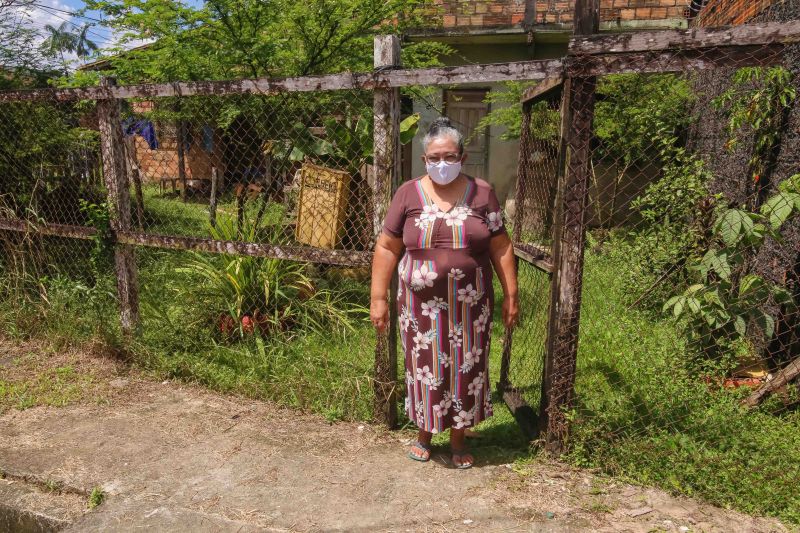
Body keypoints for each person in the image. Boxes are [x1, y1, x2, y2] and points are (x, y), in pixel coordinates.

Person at [370, 117, 519, 469]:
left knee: (466, 367)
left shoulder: (483, 193)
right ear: (424, 160)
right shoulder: (408, 193)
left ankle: (457, 437)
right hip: (419, 308)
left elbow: (501, 246)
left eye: (449, 156)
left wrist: (512, 294)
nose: (442, 164)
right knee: (424, 367)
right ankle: (424, 433)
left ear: (462, 157)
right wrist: (378, 297)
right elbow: (388, 247)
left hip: (470, 306)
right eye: (435, 157)